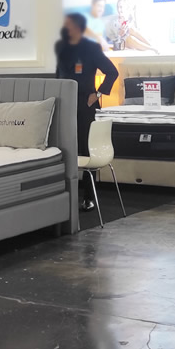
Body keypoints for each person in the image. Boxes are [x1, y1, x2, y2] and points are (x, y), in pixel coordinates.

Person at [55, 12, 118, 212]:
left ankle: (89, 196)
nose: (65, 28)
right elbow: (59, 74)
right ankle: (65, 195)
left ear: (78, 27)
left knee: (85, 149)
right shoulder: (61, 47)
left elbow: (112, 72)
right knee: (64, 148)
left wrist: (96, 94)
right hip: (64, 102)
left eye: (68, 24)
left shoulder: (91, 48)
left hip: (85, 103)